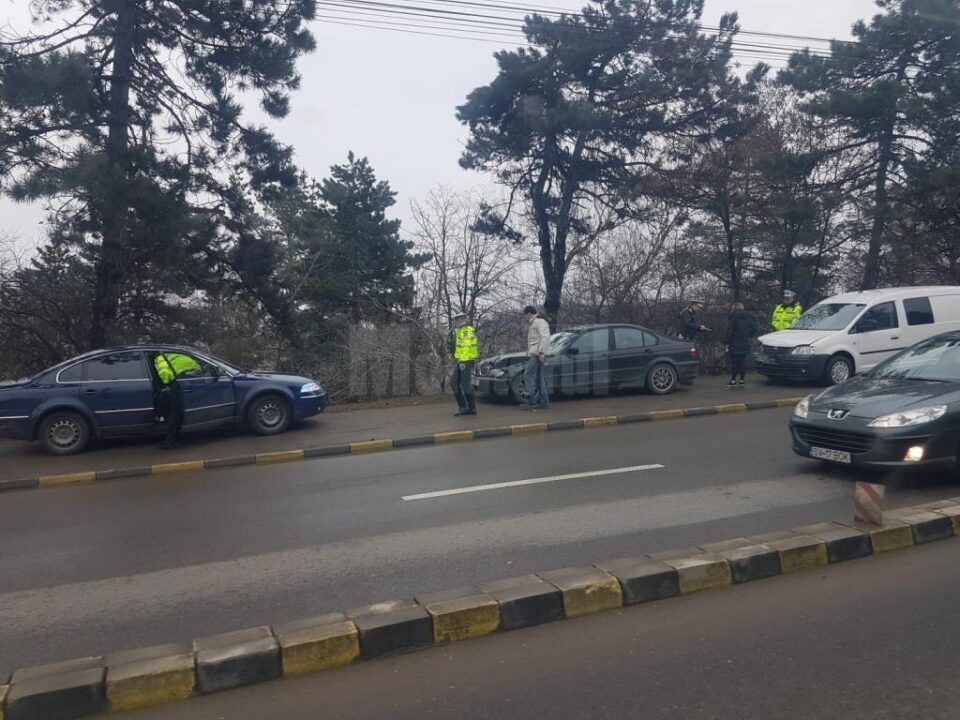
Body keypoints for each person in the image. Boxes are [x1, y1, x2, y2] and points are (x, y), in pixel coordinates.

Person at [153, 351, 202, 449]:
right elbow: (197, 367)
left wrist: (165, 384)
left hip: (175, 386)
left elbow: (164, 372)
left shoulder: (160, 359)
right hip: (186, 382)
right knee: (178, 414)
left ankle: (170, 441)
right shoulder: (176, 354)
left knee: (173, 416)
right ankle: (178, 438)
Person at [449, 312, 479, 417]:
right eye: (455, 320)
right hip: (462, 360)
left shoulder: (466, 331)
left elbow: (466, 347)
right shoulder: (460, 331)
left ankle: (470, 408)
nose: (455, 322)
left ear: (462, 319)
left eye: (456, 320)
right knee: (454, 383)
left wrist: (461, 362)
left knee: (464, 384)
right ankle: (465, 407)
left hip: (465, 360)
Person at [522, 305, 551, 410]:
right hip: (537, 353)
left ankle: (533, 400)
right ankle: (543, 402)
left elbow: (545, 336)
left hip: (538, 354)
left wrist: (541, 351)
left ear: (529, 314)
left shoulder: (539, 322)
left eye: (525, 315)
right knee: (539, 378)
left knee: (527, 375)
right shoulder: (536, 322)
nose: (525, 318)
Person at [725, 302, 757, 389]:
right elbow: (754, 328)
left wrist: (726, 341)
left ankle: (733, 380)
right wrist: (749, 336)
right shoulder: (748, 316)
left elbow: (730, 330)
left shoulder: (733, 317)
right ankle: (742, 380)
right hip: (745, 342)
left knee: (734, 363)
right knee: (742, 362)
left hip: (734, 342)